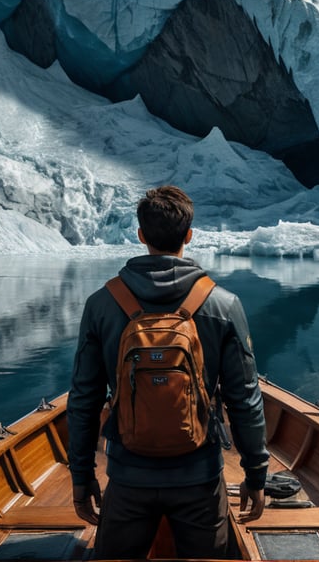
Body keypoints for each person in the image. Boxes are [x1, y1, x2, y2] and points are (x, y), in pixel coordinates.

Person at [67, 185, 269, 559]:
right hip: (200, 480)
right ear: (189, 236)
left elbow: (83, 398)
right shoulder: (223, 305)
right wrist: (256, 474)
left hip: (128, 479)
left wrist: (82, 477)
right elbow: (245, 399)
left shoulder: (101, 304)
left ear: (141, 235)